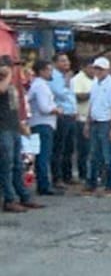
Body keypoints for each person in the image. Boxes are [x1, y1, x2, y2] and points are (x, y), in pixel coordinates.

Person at [0, 61, 43, 212]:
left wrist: (21, 125)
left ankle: (24, 196)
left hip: (12, 127)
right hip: (2, 129)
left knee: (18, 165)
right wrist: (9, 73)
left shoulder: (10, 85)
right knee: (6, 166)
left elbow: (13, 107)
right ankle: (9, 200)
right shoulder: (3, 83)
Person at [81, 56, 111, 197]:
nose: (98, 71)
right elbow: (91, 105)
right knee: (94, 155)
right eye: (96, 68)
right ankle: (92, 183)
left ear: (107, 70)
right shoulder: (95, 83)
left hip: (106, 122)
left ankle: (110, 184)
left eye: (100, 69)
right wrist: (87, 123)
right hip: (95, 122)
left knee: (108, 155)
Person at [27, 59, 62, 196]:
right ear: (41, 71)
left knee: (41, 155)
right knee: (43, 155)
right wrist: (56, 110)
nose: (50, 72)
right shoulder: (40, 86)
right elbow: (44, 107)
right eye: (49, 69)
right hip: (43, 123)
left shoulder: (37, 85)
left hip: (39, 123)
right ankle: (43, 186)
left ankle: (43, 184)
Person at [49, 53, 77, 188]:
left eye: (67, 60)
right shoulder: (54, 76)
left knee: (69, 148)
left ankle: (68, 175)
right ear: (55, 63)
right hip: (61, 115)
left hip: (70, 114)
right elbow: (59, 92)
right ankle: (57, 177)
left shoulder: (67, 77)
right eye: (63, 61)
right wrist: (66, 81)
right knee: (59, 148)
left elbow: (72, 96)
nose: (66, 63)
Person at [71, 62, 95, 182]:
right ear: (83, 67)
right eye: (91, 67)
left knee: (93, 149)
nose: (93, 70)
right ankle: (83, 174)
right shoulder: (78, 79)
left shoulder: (95, 79)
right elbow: (77, 96)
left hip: (94, 119)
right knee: (84, 149)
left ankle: (93, 173)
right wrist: (93, 94)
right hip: (81, 118)